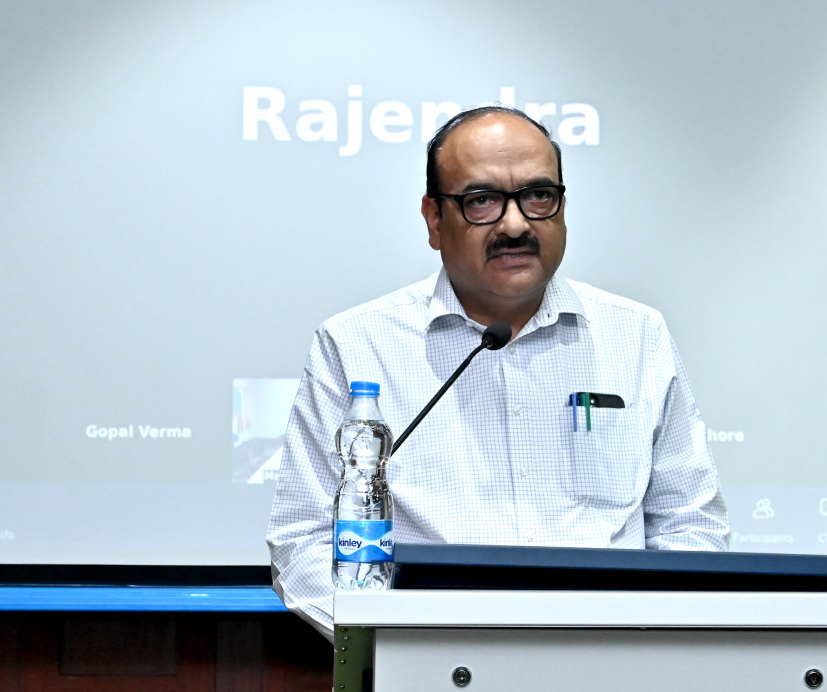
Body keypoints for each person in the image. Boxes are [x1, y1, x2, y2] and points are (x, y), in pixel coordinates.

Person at [266, 106, 730, 639]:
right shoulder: (357, 344)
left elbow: (690, 524)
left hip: (610, 658)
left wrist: (645, 645)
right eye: (482, 200)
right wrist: (397, 646)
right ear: (434, 219)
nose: (515, 225)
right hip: (429, 662)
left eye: (538, 196)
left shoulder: (637, 335)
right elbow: (303, 539)